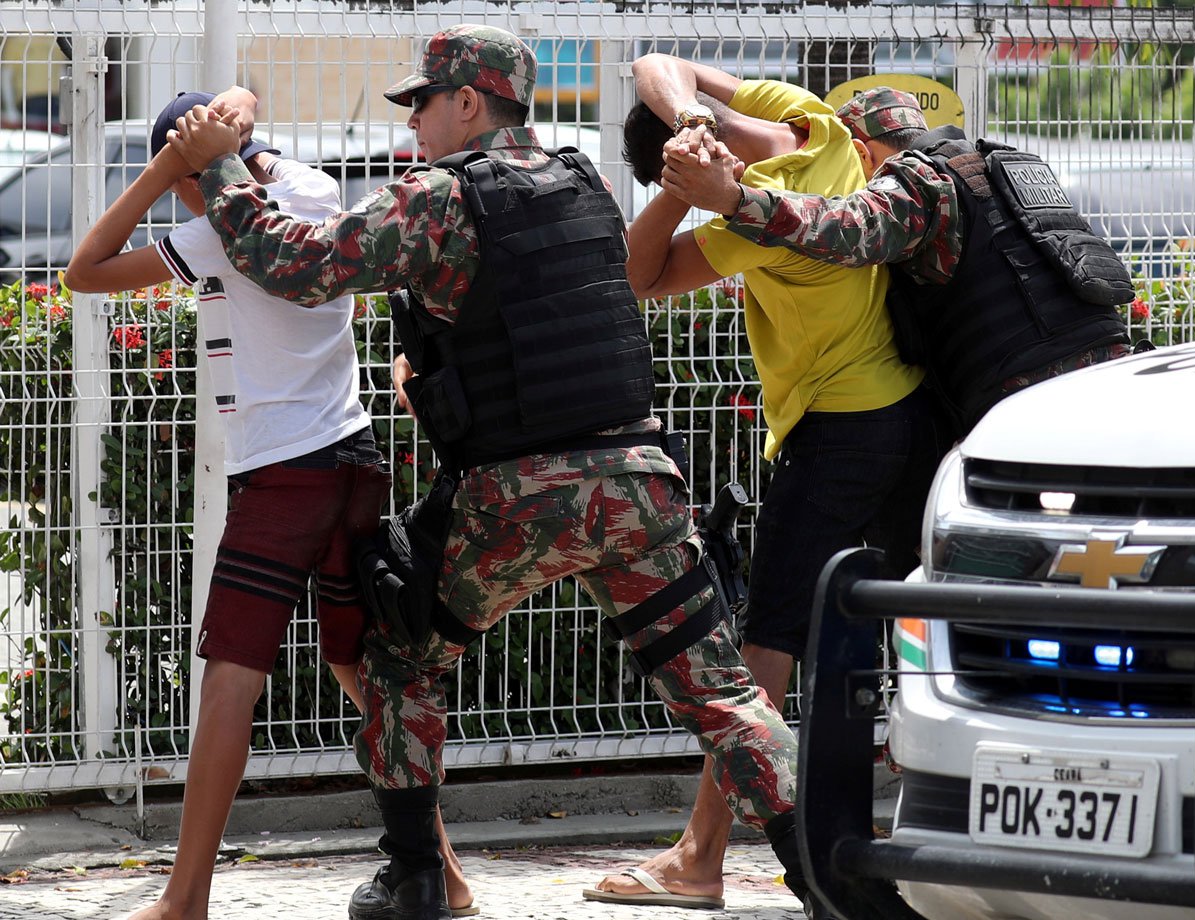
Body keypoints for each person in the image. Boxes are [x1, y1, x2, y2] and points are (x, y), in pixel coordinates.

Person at [163, 26, 820, 920]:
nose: (415, 126)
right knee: (724, 696)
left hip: (515, 496)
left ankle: (418, 878)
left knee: (396, 663)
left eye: (422, 104)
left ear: (468, 101)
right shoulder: (584, 180)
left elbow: (296, 264)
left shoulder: (441, 195)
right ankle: (832, 881)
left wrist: (221, 171)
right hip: (636, 481)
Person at [65, 88, 474, 920]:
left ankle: (184, 899)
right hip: (352, 459)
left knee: (227, 681)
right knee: (363, 672)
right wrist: (214, 141)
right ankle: (448, 874)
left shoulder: (217, 227)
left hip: (284, 475)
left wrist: (167, 171)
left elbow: (84, 271)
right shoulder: (314, 193)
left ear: (193, 168)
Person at [587, 58, 953, 910]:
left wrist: (683, 188)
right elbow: (659, 65)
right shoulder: (816, 124)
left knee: (767, 649)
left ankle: (699, 855)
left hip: (837, 431)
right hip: (903, 413)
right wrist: (694, 122)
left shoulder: (757, 221)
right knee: (866, 635)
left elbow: (639, 275)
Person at [660, 86, 1135, 436]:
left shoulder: (919, 182)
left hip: (1032, 395)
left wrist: (735, 198)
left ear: (861, 153)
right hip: (1114, 370)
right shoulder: (1006, 164)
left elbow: (846, 227)